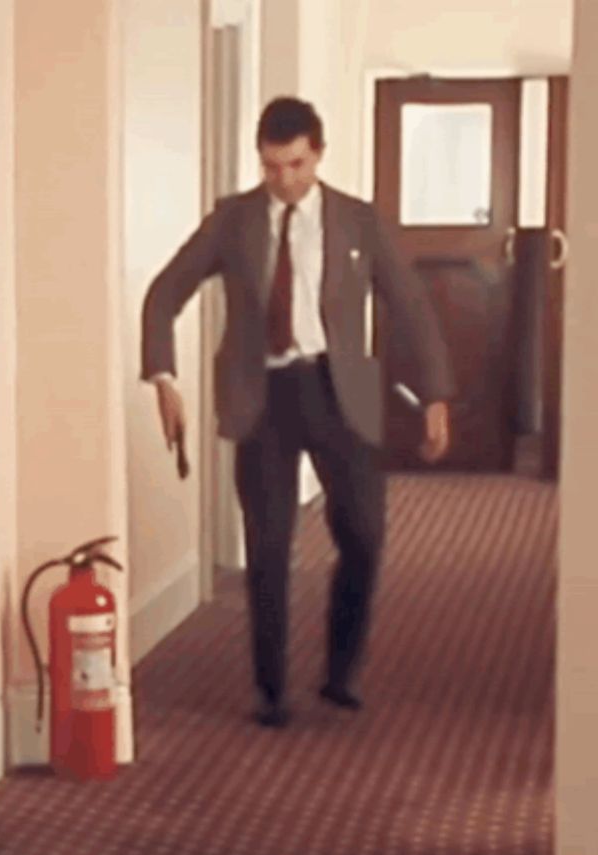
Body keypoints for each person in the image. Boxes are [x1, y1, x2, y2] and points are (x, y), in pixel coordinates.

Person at [140, 96, 456, 728]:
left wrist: (436, 396)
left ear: (318, 154)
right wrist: (163, 378)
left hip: (342, 395)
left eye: (295, 164)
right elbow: (164, 293)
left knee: (364, 538)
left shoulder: (359, 222)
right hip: (265, 396)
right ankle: (271, 689)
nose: (282, 180)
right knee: (269, 544)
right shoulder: (233, 221)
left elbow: (412, 308)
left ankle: (341, 673)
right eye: (270, 166)